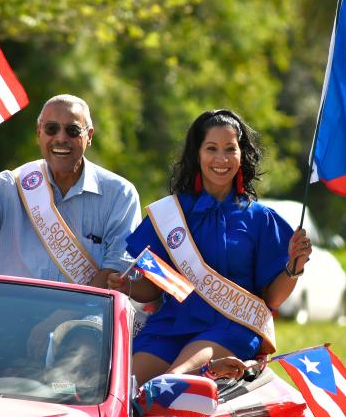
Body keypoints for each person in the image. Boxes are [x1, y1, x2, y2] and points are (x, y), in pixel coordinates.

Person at [109, 109, 312, 384]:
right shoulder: (171, 215)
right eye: (212, 148)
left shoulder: (260, 218)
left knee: (171, 384)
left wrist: (294, 266)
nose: (221, 159)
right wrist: (128, 286)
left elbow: (272, 299)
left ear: (242, 156)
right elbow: (157, 287)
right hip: (172, 325)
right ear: (198, 154)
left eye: (230, 149)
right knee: (122, 388)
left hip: (230, 328)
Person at [0, 94, 140, 356]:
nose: (61, 138)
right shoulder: (14, 184)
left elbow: (115, 274)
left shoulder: (119, 193)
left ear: (89, 135)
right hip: (10, 319)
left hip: (84, 325)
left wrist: (56, 321)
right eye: (51, 129)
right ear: (39, 133)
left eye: (72, 130)